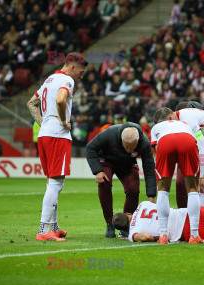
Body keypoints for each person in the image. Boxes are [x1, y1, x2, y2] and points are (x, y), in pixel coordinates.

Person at [26, 52, 88, 241]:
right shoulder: (67, 81)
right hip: (57, 135)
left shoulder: (49, 79)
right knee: (56, 183)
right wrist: (63, 121)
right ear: (71, 67)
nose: (81, 76)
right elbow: (61, 99)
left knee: (52, 182)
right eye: (81, 71)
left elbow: (31, 103)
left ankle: (54, 227)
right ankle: (43, 230)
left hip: (45, 134)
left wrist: (43, 121)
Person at [86, 122, 156, 238]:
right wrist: (97, 170)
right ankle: (109, 223)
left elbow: (149, 169)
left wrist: (151, 196)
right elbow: (90, 148)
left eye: (132, 147)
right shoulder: (109, 133)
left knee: (133, 189)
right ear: (120, 139)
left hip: (128, 165)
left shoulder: (145, 143)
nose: (129, 150)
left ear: (138, 141)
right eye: (126, 146)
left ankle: (126, 225)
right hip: (107, 161)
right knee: (104, 183)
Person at [151, 107, 204, 244]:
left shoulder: (156, 128)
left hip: (165, 142)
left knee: (162, 189)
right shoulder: (184, 123)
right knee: (192, 188)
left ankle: (163, 235)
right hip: (187, 139)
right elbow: (198, 141)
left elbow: (156, 148)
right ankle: (194, 235)